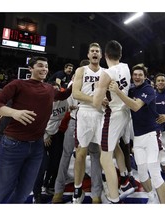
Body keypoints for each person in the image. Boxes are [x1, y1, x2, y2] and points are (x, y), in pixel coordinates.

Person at [0, 56, 71, 203]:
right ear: (30, 69)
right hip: (13, 144)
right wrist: (13, 112)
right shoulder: (18, 84)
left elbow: (65, 94)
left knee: (23, 191)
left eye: (46, 67)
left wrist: (81, 75)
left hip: (36, 146)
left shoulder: (49, 89)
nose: (44, 69)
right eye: (40, 66)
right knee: (0, 190)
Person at [109, 63, 165, 204]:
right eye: (135, 74)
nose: (137, 77)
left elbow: (136, 106)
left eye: (140, 75)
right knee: (142, 173)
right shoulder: (131, 90)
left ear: (145, 77)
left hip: (151, 134)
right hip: (137, 137)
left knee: (154, 174)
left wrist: (118, 91)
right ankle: (152, 197)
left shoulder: (148, 88)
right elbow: (123, 102)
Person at [93, 40, 134, 203]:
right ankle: (124, 179)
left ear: (104, 55)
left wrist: (98, 87)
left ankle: (114, 198)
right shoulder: (126, 67)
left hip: (113, 114)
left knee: (105, 158)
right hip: (124, 112)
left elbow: (96, 103)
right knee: (115, 146)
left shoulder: (106, 74)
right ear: (121, 54)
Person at [71, 42, 104, 204]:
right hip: (84, 113)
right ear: (88, 55)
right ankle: (78, 189)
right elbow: (76, 93)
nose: (95, 53)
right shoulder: (81, 70)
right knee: (81, 153)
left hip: (102, 115)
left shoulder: (106, 72)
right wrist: (96, 99)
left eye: (97, 51)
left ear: (101, 55)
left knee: (102, 154)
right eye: (92, 51)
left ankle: (99, 188)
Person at [32, 82, 69, 203]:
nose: (54, 92)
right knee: (41, 166)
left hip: (57, 134)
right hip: (41, 134)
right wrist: (45, 135)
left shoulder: (65, 101)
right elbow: (35, 122)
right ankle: (36, 193)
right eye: (52, 90)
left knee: (56, 163)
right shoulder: (40, 102)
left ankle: (49, 185)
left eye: (57, 90)